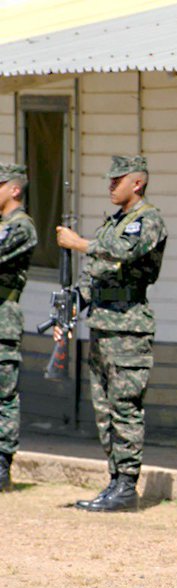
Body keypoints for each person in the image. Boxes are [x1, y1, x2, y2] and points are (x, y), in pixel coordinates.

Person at [57, 155, 167, 512]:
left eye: (116, 180)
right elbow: (94, 274)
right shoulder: (112, 223)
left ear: (137, 183)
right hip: (102, 323)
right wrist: (74, 304)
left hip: (129, 326)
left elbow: (125, 252)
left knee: (125, 407)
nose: (110, 186)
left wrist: (79, 243)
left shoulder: (147, 221)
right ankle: (114, 478)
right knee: (103, 408)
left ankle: (126, 484)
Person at [0, 163, 36, 491]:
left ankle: (1, 463)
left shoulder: (20, 226)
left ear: (14, 190)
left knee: (3, 396)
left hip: (3, 323)